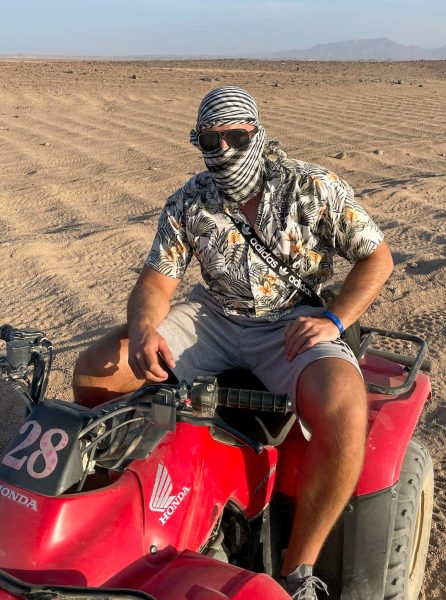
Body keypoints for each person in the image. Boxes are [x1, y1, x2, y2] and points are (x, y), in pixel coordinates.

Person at [71, 86, 392, 599]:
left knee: (342, 406)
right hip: (214, 318)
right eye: (209, 140)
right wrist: (144, 329)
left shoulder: (313, 187)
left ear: (257, 134)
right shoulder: (189, 201)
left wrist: (333, 319)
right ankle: (112, 513)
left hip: (292, 323)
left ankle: (297, 572)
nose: (222, 151)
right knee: (94, 373)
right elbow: (156, 282)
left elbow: (377, 259)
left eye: (235, 137)